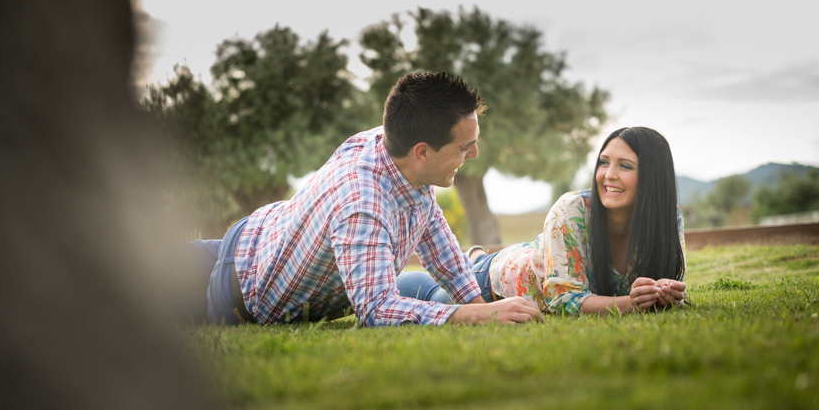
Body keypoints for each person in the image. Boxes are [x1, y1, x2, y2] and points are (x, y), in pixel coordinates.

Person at [192, 71, 544, 326]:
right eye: (464, 147)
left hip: (260, 238)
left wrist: (482, 306)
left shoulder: (400, 148)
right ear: (422, 152)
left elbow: (437, 242)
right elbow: (376, 307)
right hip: (238, 289)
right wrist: (475, 314)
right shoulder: (362, 204)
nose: (476, 154)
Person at [396, 126, 687, 315]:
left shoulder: (668, 217)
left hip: (533, 257)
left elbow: (671, 282)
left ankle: (475, 256)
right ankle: (473, 261)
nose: (609, 174)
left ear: (652, 176)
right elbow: (564, 299)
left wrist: (663, 293)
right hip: (490, 286)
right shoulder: (572, 209)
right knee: (439, 299)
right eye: (603, 162)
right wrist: (631, 305)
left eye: (625, 166)